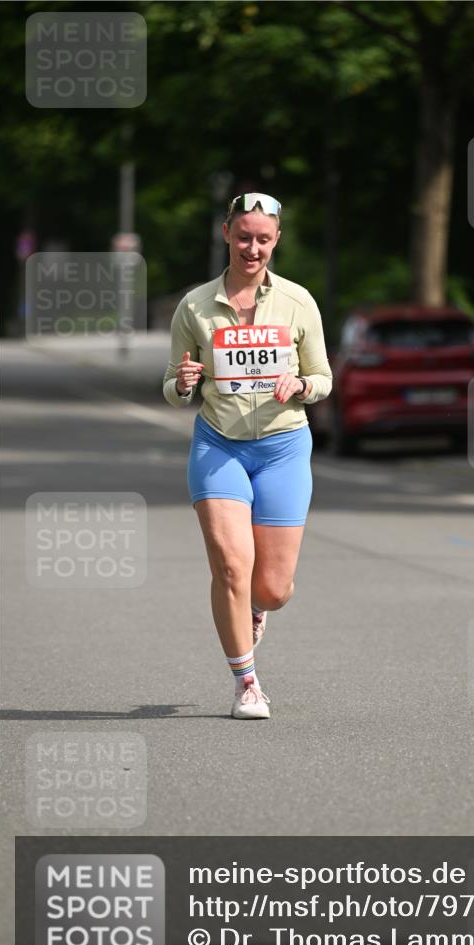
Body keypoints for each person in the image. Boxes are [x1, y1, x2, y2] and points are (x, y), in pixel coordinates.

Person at [162, 192, 332, 719]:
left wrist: (301, 384)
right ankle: (246, 683)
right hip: (219, 445)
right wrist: (183, 383)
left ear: (276, 240)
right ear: (226, 235)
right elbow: (172, 383)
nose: (251, 248)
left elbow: (324, 379)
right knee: (232, 567)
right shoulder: (194, 306)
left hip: (283, 446)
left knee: (273, 588)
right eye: (243, 236)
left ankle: (258, 609)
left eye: (262, 238)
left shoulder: (299, 303)